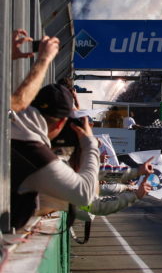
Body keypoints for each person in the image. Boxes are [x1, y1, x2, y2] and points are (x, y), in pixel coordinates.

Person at [10, 81, 100, 230]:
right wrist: (90, 144)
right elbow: (85, 195)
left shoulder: (9, 122)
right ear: (61, 124)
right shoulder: (35, 154)